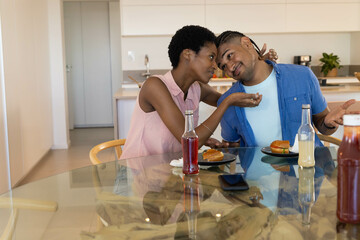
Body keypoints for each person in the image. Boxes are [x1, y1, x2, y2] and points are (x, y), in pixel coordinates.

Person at [121, 26, 276, 159]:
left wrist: (255, 65)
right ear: (188, 55)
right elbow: (188, 141)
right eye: (211, 57)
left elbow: (236, 100)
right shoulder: (154, 86)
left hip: (168, 174)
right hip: (136, 175)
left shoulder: (197, 89)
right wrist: (227, 103)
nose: (215, 66)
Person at [215, 30, 356, 147]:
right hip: (256, 179)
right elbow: (232, 149)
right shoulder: (228, 101)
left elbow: (323, 125)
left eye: (230, 55)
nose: (230, 67)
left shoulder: (302, 76)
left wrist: (328, 123)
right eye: (223, 66)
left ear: (246, 43)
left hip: (306, 173)